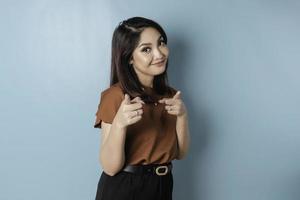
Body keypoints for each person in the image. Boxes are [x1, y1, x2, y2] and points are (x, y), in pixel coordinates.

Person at [93, 16, 190, 200]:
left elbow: (181, 153)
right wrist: (119, 125)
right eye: (146, 49)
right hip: (125, 188)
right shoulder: (115, 96)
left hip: (163, 185)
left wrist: (183, 116)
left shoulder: (171, 96)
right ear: (129, 58)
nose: (160, 54)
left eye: (161, 43)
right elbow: (110, 167)